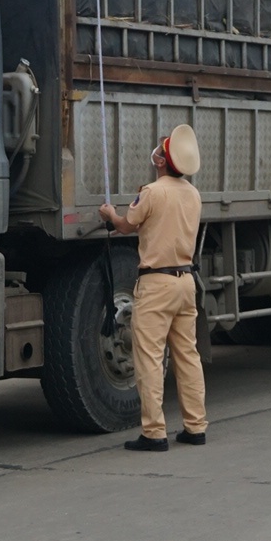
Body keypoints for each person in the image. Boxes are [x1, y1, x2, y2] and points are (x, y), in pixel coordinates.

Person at [98, 124, 208, 452]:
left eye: (160, 149)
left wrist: (110, 214)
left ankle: (154, 432)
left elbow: (125, 226)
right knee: (188, 356)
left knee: (149, 358)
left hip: (156, 283)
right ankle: (196, 426)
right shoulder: (193, 194)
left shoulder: (152, 192)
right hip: (186, 282)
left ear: (161, 161)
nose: (156, 152)